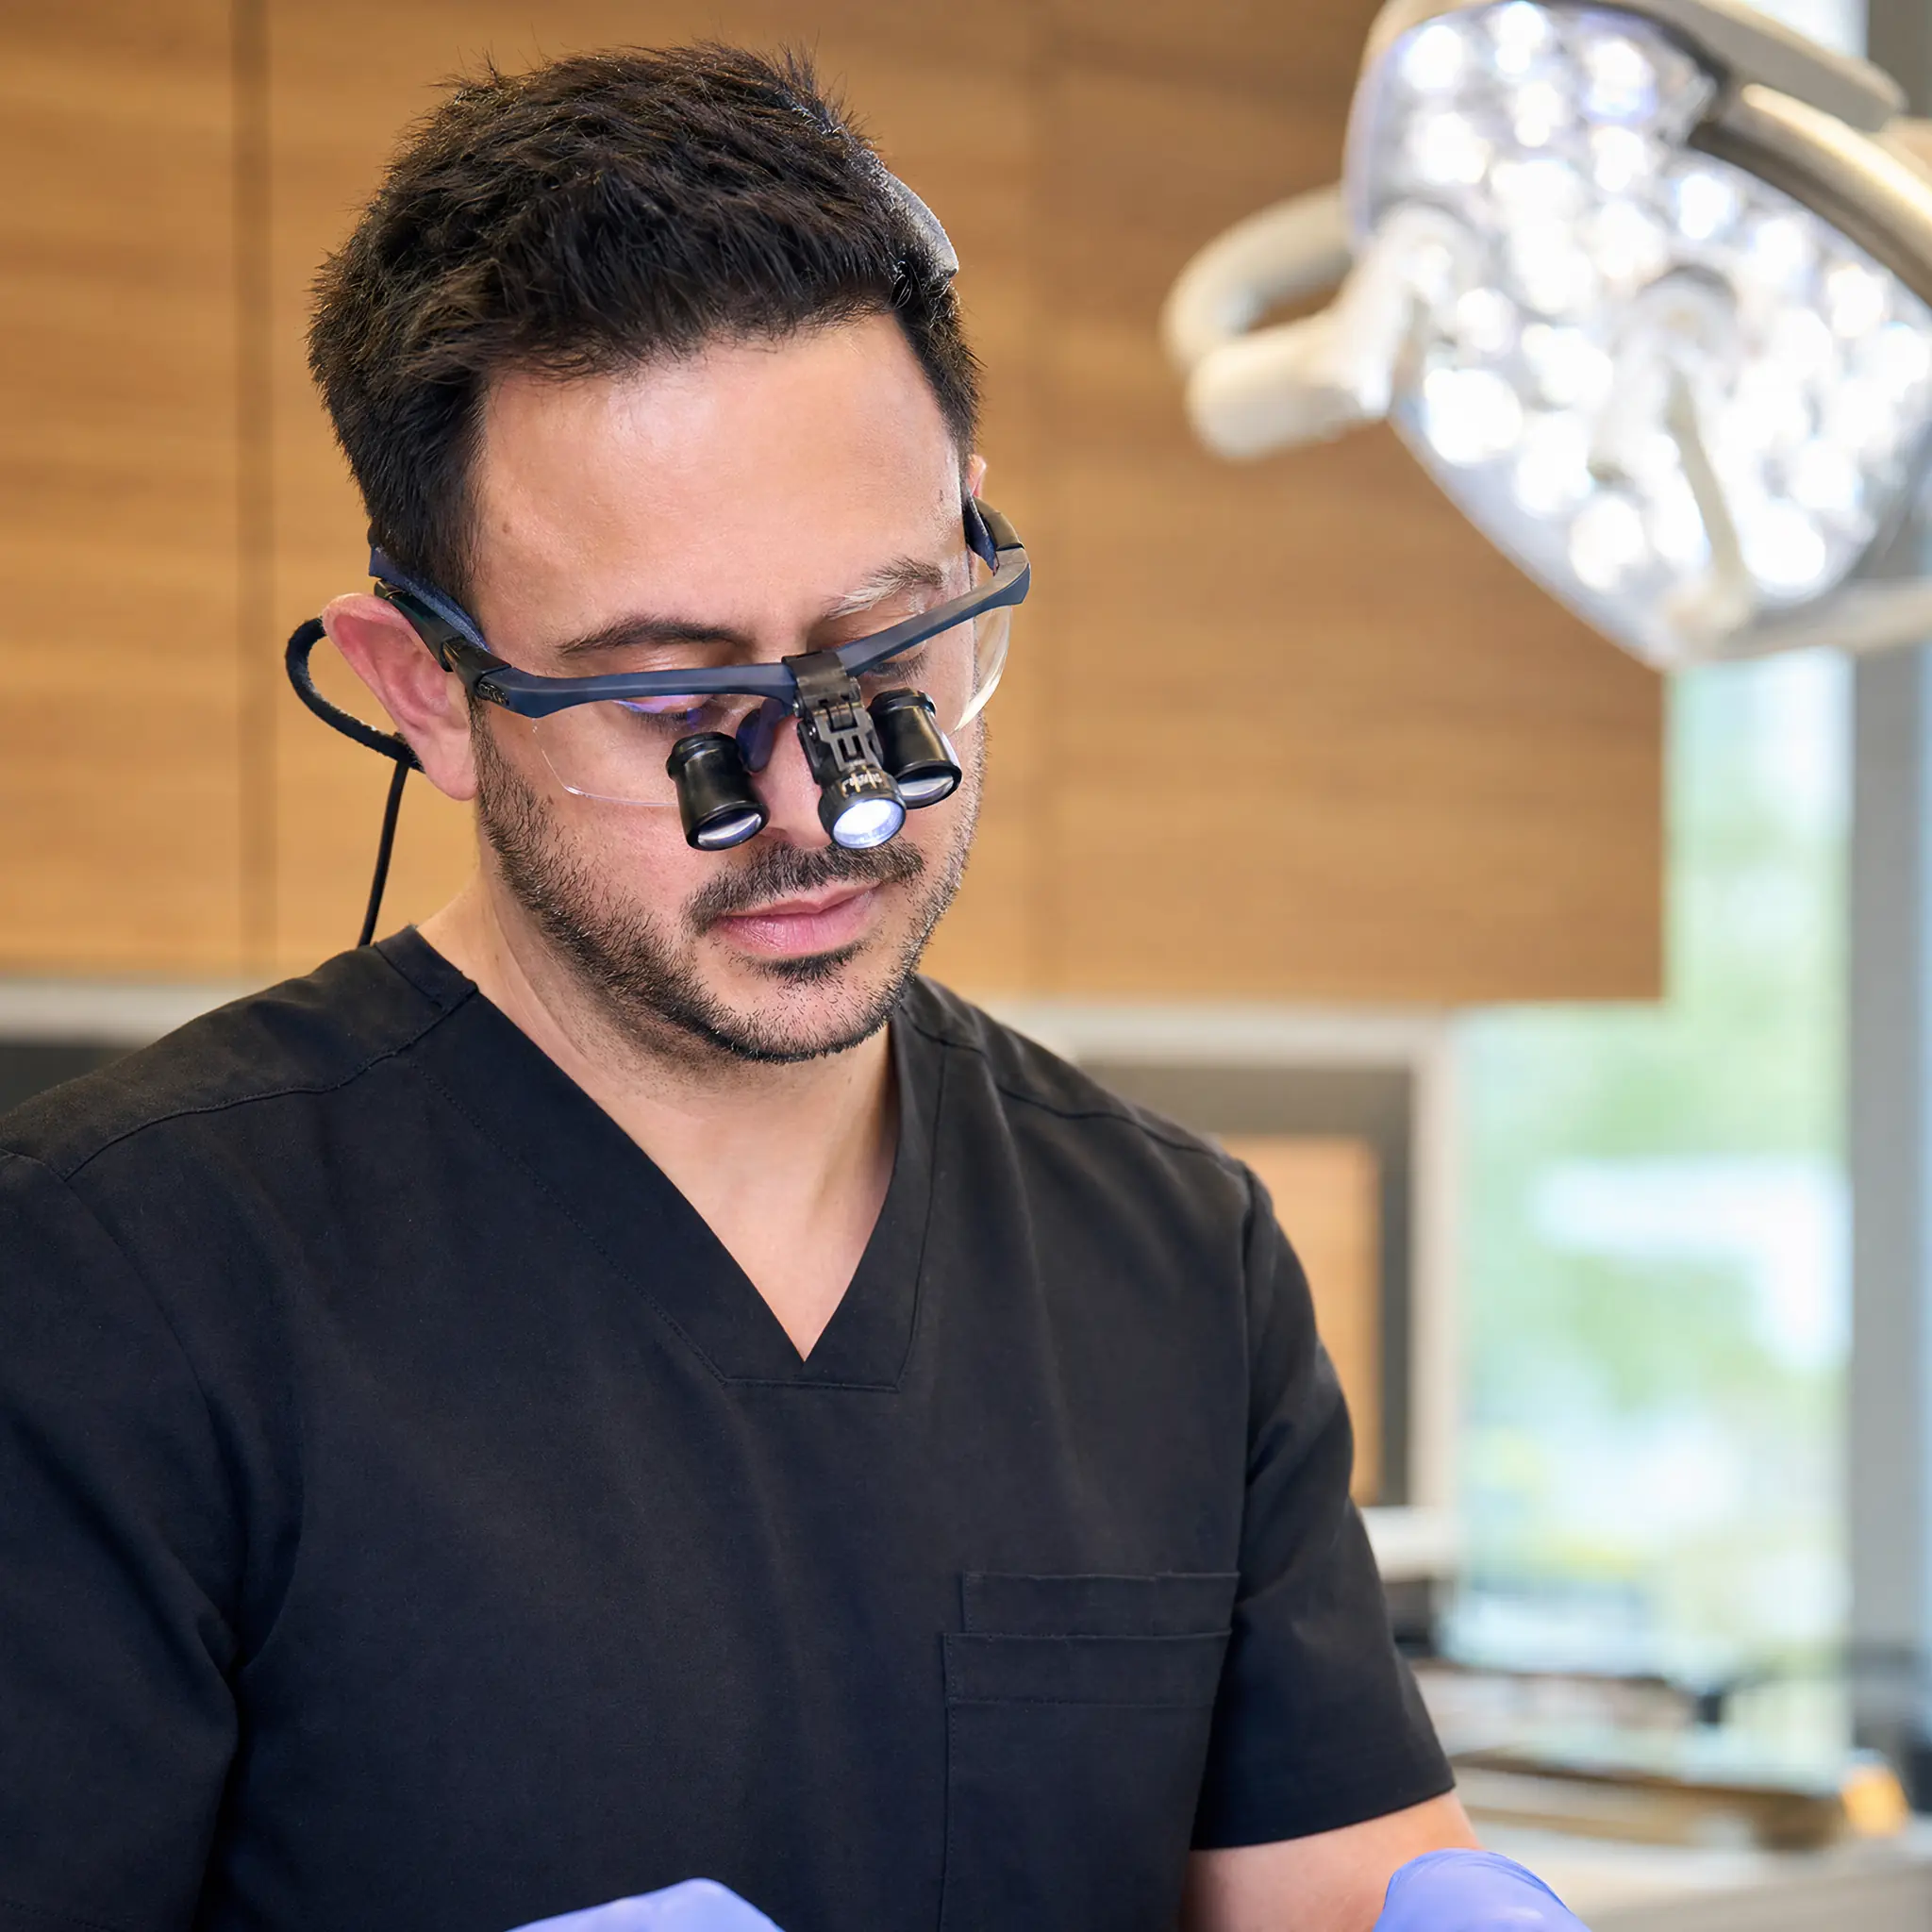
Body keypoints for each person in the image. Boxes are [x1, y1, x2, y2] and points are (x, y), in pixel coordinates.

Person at [0, 44, 1584, 1932]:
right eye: (672, 698)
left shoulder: (1175, 1258)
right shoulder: (114, 1288)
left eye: (881, 648)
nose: (818, 797)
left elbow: (1329, 1877)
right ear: (426, 686)